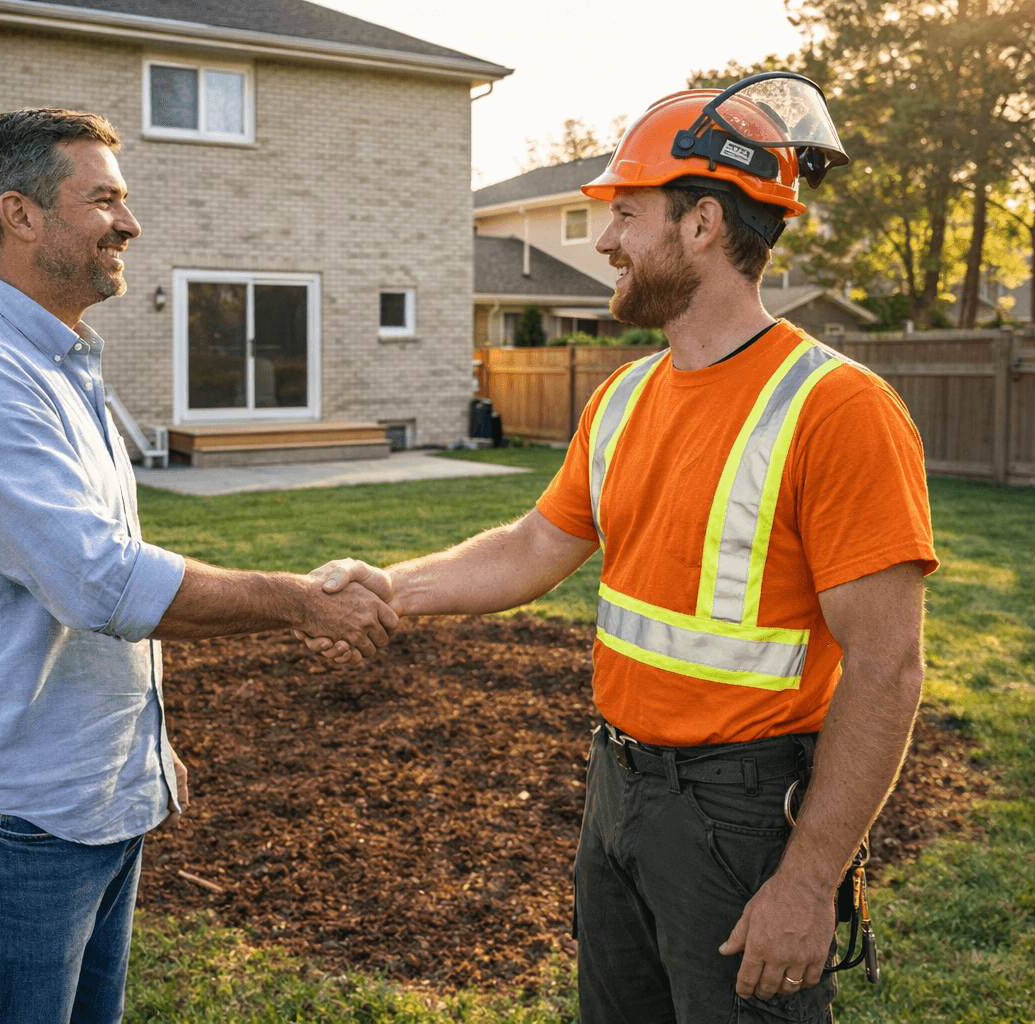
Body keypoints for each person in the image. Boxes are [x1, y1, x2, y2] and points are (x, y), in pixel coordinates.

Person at [307, 75, 937, 1024]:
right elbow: (531, 547)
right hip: (618, 789)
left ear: (703, 225)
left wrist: (810, 879)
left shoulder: (839, 410)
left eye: (625, 213)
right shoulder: (626, 397)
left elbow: (887, 669)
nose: (603, 241)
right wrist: (387, 587)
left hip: (743, 815)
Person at [0, 108, 396, 1024]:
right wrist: (298, 603)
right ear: (23, 215)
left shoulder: (57, 367)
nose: (130, 224)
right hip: (18, 819)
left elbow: (88, 590)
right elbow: (100, 582)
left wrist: (141, 756)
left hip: (88, 802)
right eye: (106, 200)